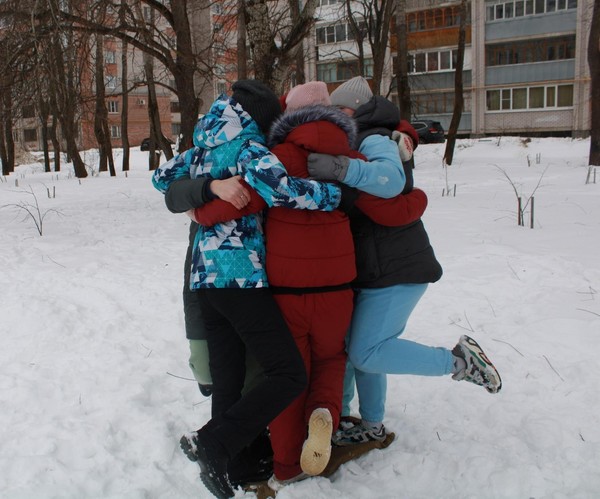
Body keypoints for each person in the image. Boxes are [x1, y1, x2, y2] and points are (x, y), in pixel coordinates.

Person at [191, 81, 429, 489]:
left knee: (287, 372)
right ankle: (325, 415)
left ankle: (286, 464)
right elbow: (390, 208)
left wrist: (201, 211)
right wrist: (418, 198)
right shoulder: (351, 159)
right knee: (332, 361)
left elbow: (244, 198)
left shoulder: (278, 157)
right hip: (337, 285)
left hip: (287, 287)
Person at [152, 79, 344, 499]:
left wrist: (204, 187)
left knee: (229, 379)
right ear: (261, 120)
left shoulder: (201, 146)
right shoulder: (250, 149)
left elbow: (161, 177)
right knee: (288, 373)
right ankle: (212, 443)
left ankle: (234, 464)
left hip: (205, 278)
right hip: (239, 277)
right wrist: (331, 193)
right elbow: (282, 190)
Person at [307, 76, 502, 446]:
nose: (335, 118)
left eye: (340, 110)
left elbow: (391, 180)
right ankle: (369, 423)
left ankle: (459, 361)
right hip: (374, 267)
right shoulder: (364, 137)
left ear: (358, 110)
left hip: (396, 267)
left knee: (367, 351)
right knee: (360, 348)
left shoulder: (374, 138)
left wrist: (341, 169)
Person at [161, 174, 274, 487]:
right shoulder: (208, 164)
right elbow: (173, 192)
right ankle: (226, 451)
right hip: (216, 300)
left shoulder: (262, 167)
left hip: (258, 298)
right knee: (224, 379)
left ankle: (238, 455)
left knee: (256, 379)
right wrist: (210, 189)